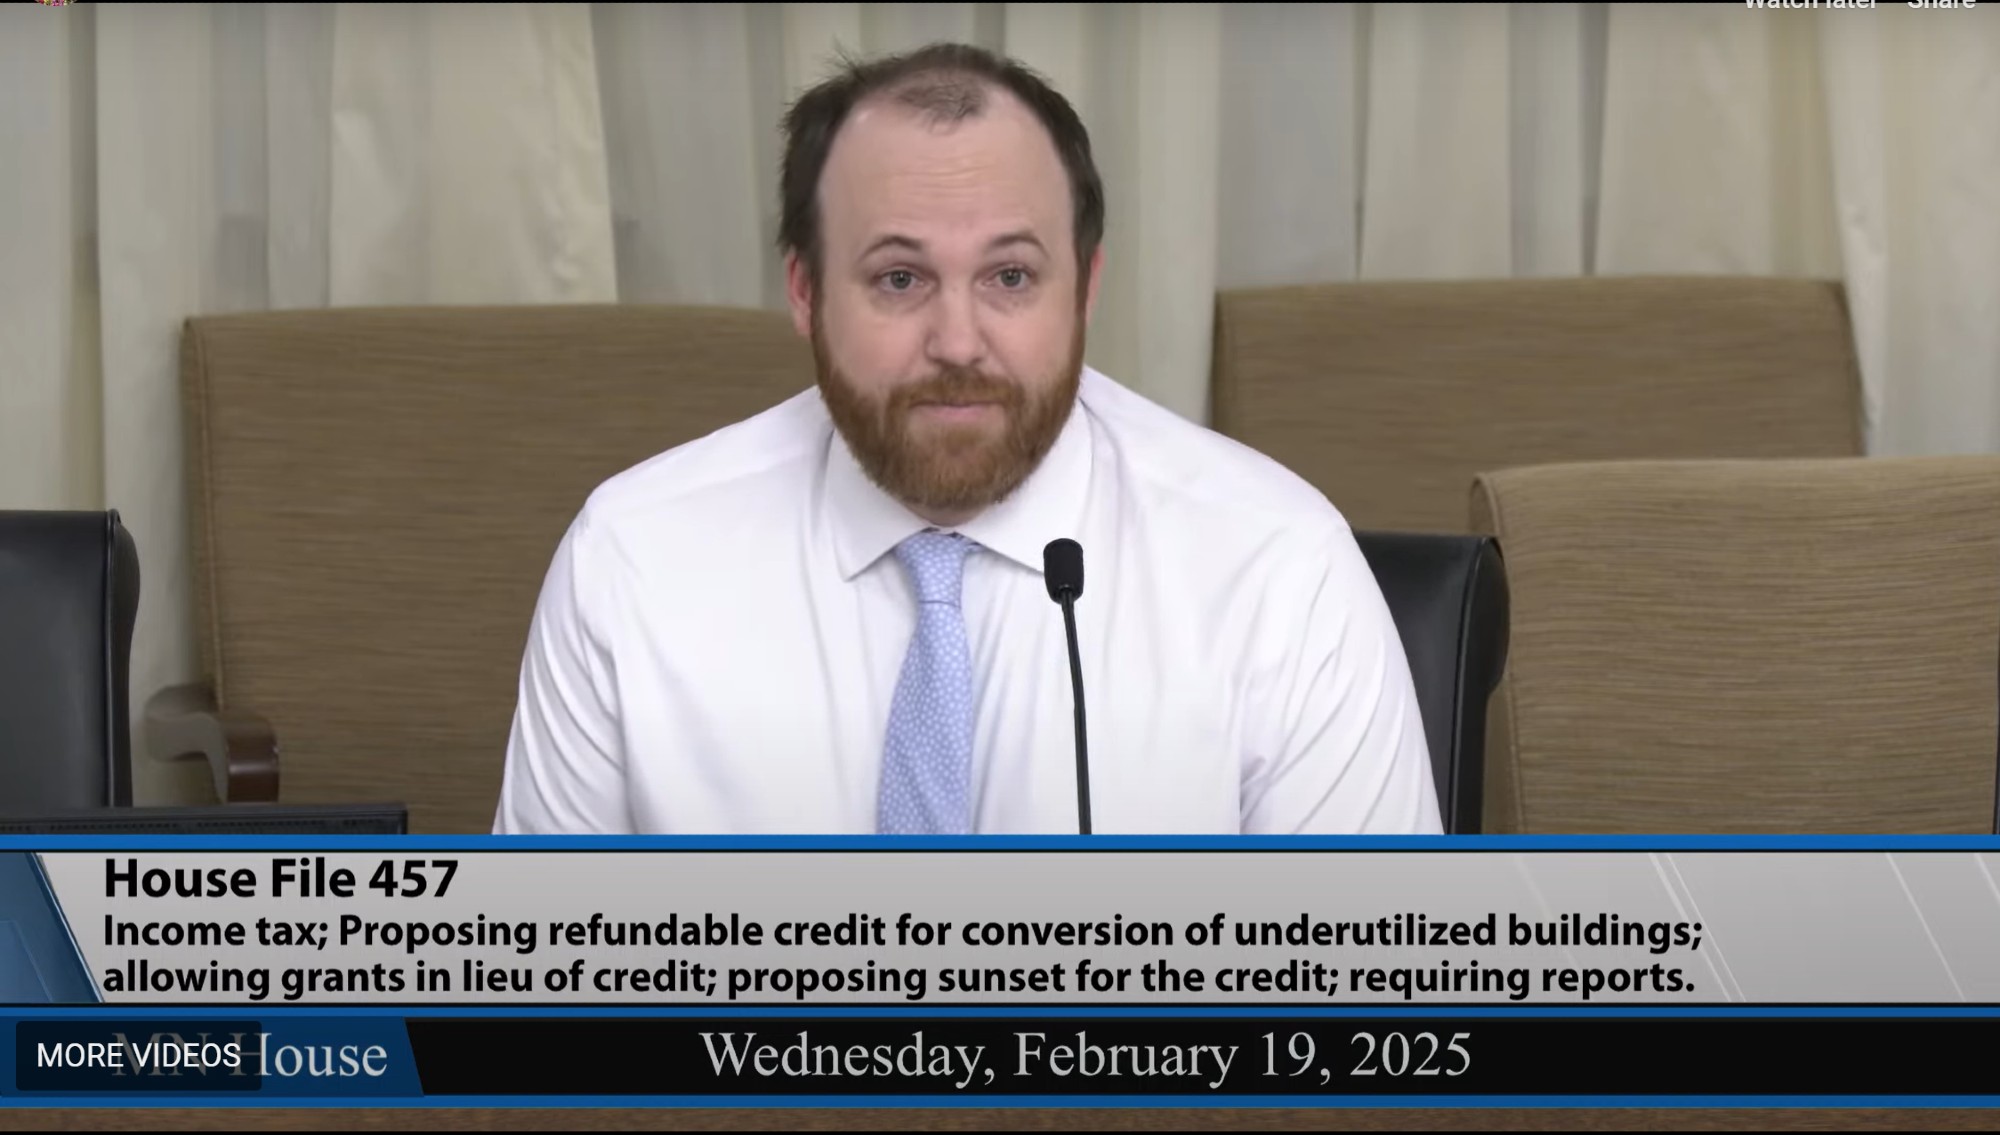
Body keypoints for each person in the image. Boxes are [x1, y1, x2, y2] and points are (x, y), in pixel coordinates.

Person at [494, 42, 1439, 835]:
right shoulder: (633, 558)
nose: (956, 342)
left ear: (1086, 288)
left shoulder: (1279, 567)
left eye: (1011, 277)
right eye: (900, 278)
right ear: (806, 292)